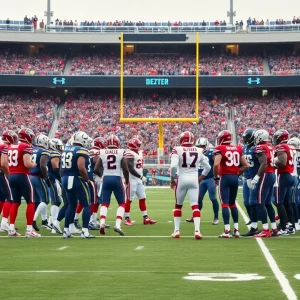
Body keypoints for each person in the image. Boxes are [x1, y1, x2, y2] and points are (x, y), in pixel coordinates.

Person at [170, 131, 211, 239]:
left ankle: (176, 231)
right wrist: (200, 178)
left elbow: (173, 167)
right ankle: (197, 231)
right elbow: (208, 167)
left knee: (178, 205)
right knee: (195, 206)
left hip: (182, 178)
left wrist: (172, 179)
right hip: (194, 179)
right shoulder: (199, 150)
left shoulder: (177, 149)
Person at [213, 130, 248, 238]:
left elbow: (216, 164)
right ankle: (236, 230)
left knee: (224, 204)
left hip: (225, 177)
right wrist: (237, 173)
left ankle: (227, 231)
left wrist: (215, 177)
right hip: (234, 178)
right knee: (233, 203)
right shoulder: (238, 148)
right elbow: (246, 165)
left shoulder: (220, 148)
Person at [94, 134, 130, 236]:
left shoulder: (102, 152)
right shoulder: (121, 152)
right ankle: (118, 225)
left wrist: (102, 177)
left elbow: (96, 169)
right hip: (117, 178)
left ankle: (102, 223)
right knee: (122, 203)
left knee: (105, 203)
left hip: (106, 178)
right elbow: (125, 168)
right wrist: (127, 180)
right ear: (117, 143)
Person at [61, 131, 94, 239]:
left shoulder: (66, 148)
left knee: (71, 204)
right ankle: (85, 231)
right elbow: (81, 167)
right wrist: (87, 180)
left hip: (65, 178)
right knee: (87, 204)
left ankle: (66, 230)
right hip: (76, 179)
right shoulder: (81, 150)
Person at [7, 128, 39, 237]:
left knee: (15, 202)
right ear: (27, 136)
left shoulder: (11, 146)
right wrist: (34, 164)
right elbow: (27, 163)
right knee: (31, 201)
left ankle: (11, 229)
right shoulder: (25, 146)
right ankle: (29, 230)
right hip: (22, 176)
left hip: (11, 176)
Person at [247, 129, 277, 237]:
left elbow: (264, 163)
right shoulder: (270, 146)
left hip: (266, 174)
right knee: (268, 203)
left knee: (260, 202)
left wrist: (256, 177)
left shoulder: (261, 147)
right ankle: (274, 228)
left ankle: (265, 229)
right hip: (272, 174)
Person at [186, 137, 219, 225]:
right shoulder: (196, 153)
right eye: (199, 146)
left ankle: (216, 217)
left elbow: (216, 164)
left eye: (202, 146)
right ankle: (196, 216)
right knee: (198, 198)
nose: (200, 148)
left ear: (206, 146)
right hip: (201, 179)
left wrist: (217, 177)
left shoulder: (211, 153)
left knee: (213, 198)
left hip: (210, 178)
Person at [124, 137, 157, 226]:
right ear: (134, 145)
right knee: (129, 199)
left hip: (139, 179)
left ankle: (145, 218)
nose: (140, 146)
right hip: (132, 179)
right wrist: (140, 176)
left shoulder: (139, 153)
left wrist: (143, 173)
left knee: (142, 197)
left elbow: (138, 166)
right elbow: (130, 168)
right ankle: (127, 218)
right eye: (138, 145)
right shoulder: (129, 153)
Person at [273, 129, 296, 235]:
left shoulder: (281, 147)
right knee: (287, 202)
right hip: (291, 175)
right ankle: (291, 225)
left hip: (283, 175)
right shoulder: (291, 146)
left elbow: (282, 162)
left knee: (279, 202)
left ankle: (284, 226)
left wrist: (271, 161)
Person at [30, 134, 52, 232]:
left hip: (30, 176)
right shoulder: (44, 151)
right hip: (38, 177)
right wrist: (47, 178)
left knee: (37, 200)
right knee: (46, 200)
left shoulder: (32, 149)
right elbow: (43, 166)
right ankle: (33, 220)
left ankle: (44, 220)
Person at [241, 128, 259, 226]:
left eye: (247, 137)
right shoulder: (244, 148)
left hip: (255, 177)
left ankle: (255, 221)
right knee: (246, 202)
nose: (245, 139)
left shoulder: (257, 148)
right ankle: (252, 219)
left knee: (254, 202)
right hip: (246, 176)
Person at [0, 130, 17, 232]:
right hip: (1, 173)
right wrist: (8, 174)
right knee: (10, 198)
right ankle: (4, 223)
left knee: (1, 199)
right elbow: (3, 163)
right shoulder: (4, 147)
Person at [47, 138, 64, 234]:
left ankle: (50, 223)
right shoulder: (54, 154)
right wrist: (61, 179)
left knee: (56, 201)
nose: (60, 148)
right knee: (56, 201)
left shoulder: (50, 153)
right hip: (53, 179)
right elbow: (56, 168)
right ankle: (54, 224)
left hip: (51, 178)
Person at [287, 137, 300, 230]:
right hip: (294, 176)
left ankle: (295, 221)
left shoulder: (291, 153)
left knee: (293, 201)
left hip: (294, 177)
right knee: (293, 201)